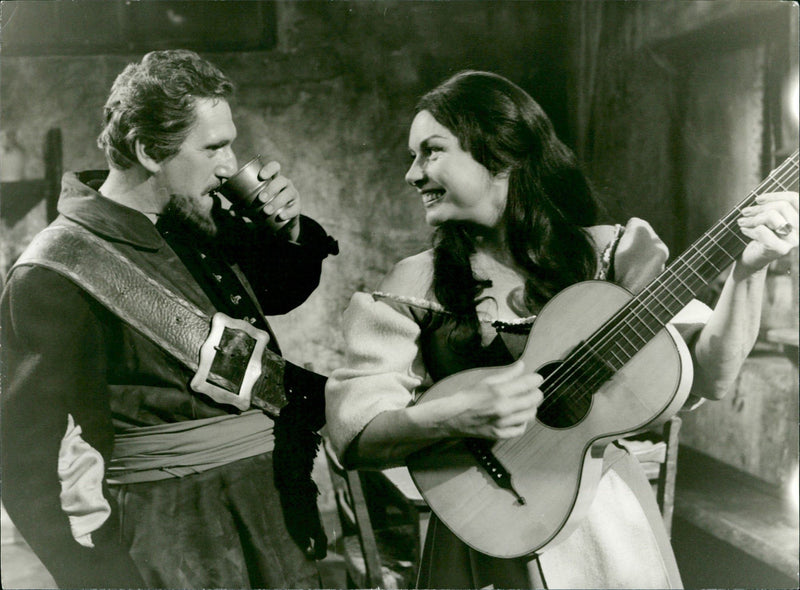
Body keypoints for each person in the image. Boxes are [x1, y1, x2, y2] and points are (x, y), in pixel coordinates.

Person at [325, 70, 798, 588]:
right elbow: (357, 435)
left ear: (500, 154)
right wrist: (453, 415)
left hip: (607, 532)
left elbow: (708, 377)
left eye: (432, 151)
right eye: (413, 156)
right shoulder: (411, 286)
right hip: (486, 532)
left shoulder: (613, 255)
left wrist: (749, 272)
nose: (413, 174)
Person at [1, 49, 338, 589]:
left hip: (272, 513)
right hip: (173, 537)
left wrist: (289, 228)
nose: (231, 164)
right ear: (146, 151)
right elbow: (24, 464)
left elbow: (280, 290)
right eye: (214, 148)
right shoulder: (54, 271)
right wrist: (101, 578)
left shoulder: (194, 223)